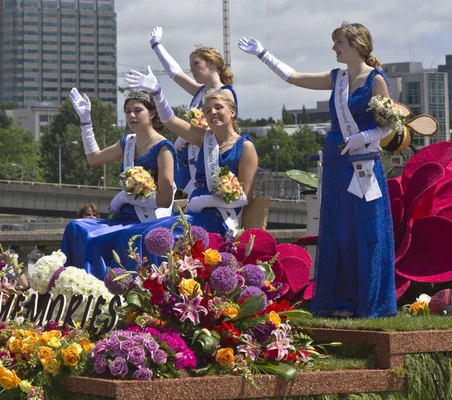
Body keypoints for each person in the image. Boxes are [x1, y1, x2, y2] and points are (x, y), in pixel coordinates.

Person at [237, 22, 396, 318]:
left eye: (339, 43)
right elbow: (293, 77)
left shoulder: (376, 80)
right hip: (337, 165)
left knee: (367, 232)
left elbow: (388, 124)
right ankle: (342, 300)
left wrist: (365, 136)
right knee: (341, 232)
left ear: (356, 44)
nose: (334, 48)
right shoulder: (336, 78)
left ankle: (368, 301)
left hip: (363, 166)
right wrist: (263, 54)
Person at [124, 66, 257, 236]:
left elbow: (246, 197)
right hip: (194, 214)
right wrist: (157, 93)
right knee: (145, 232)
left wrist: (205, 201)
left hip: (220, 219)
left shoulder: (245, 146)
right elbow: (170, 120)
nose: (212, 113)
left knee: (156, 233)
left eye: (218, 107)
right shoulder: (203, 138)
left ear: (232, 111)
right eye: (207, 110)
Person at [61, 88, 177, 279]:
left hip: (148, 219)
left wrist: (125, 196)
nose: (132, 115)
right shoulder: (128, 143)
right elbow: (93, 158)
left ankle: (102, 293)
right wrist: (85, 122)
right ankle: (74, 288)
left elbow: (165, 200)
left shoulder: (163, 148)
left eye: (138, 110)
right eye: (128, 111)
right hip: (123, 217)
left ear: (153, 113)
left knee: (93, 238)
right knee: (76, 227)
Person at [149, 27, 238, 197]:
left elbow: (220, 130)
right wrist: (157, 46)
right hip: (189, 162)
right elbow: (175, 73)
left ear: (212, 64)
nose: (192, 69)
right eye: (190, 66)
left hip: (209, 161)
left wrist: (185, 136)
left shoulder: (225, 93)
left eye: (196, 64)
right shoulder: (200, 91)